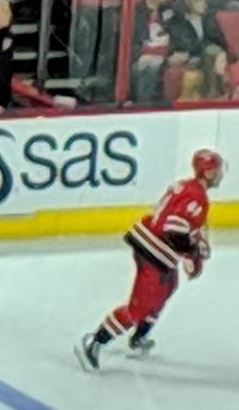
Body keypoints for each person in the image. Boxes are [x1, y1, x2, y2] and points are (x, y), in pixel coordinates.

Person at [77, 149, 223, 370]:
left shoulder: (186, 186)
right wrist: (191, 253)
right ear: (209, 172)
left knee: (168, 286)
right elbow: (173, 230)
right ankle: (95, 341)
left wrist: (193, 248)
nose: (221, 174)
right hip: (154, 252)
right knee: (139, 307)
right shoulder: (197, 197)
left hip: (151, 246)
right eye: (218, 169)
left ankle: (139, 338)